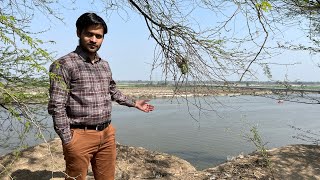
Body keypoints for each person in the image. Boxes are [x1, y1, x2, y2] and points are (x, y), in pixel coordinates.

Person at [48, 12, 154, 180]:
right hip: (79, 136)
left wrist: (135, 103)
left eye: (99, 36)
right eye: (89, 34)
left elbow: (112, 91)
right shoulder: (63, 65)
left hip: (106, 134)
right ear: (79, 33)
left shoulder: (104, 65)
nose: (94, 40)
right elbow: (56, 106)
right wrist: (68, 141)